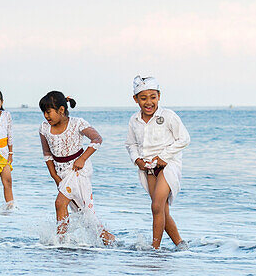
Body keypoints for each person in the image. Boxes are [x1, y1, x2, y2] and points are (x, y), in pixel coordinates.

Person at [38, 91, 115, 245]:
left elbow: (97, 139)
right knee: (83, 213)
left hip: (78, 171)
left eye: (48, 112)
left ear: (61, 110)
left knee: (60, 203)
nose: (46, 116)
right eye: (44, 113)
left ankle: (60, 241)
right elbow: (47, 154)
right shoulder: (44, 128)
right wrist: (54, 175)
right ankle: (109, 239)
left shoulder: (77, 123)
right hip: (61, 173)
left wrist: (82, 159)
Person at [125, 75, 190, 249]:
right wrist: (137, 160)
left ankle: (155, 248)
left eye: (153, 97)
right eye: (143, 98)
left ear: (159, 96)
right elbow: (130, 144)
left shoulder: (168, 116)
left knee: (155, 206)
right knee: (161, 209)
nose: (149, 102)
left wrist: (164, 157)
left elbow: (184, 139)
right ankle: (180, 244)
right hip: (148, 168)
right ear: (136, 99)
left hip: (168, 165)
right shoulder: (134, 120)